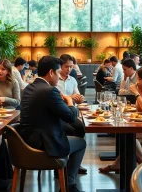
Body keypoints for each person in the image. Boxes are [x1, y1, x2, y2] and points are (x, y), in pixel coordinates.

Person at [20, 56, 86, 192]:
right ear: (51, 72)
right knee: (81, 143)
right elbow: (71, 117)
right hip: (43, 143)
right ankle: (69, 185)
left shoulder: (29, 88)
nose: (59, 76)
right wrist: (69, 101)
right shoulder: (50, 91)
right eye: (58, 72)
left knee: (69, 131)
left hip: (25, 143)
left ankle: (64, 176)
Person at [0, 59, 21, 180]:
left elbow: (17, 102)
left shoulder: (13, 82)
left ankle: (2, 171)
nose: (0, 71)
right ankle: (2, 172)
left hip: (11, 114)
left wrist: (5, 99)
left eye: (3, 69)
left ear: (8, 71)